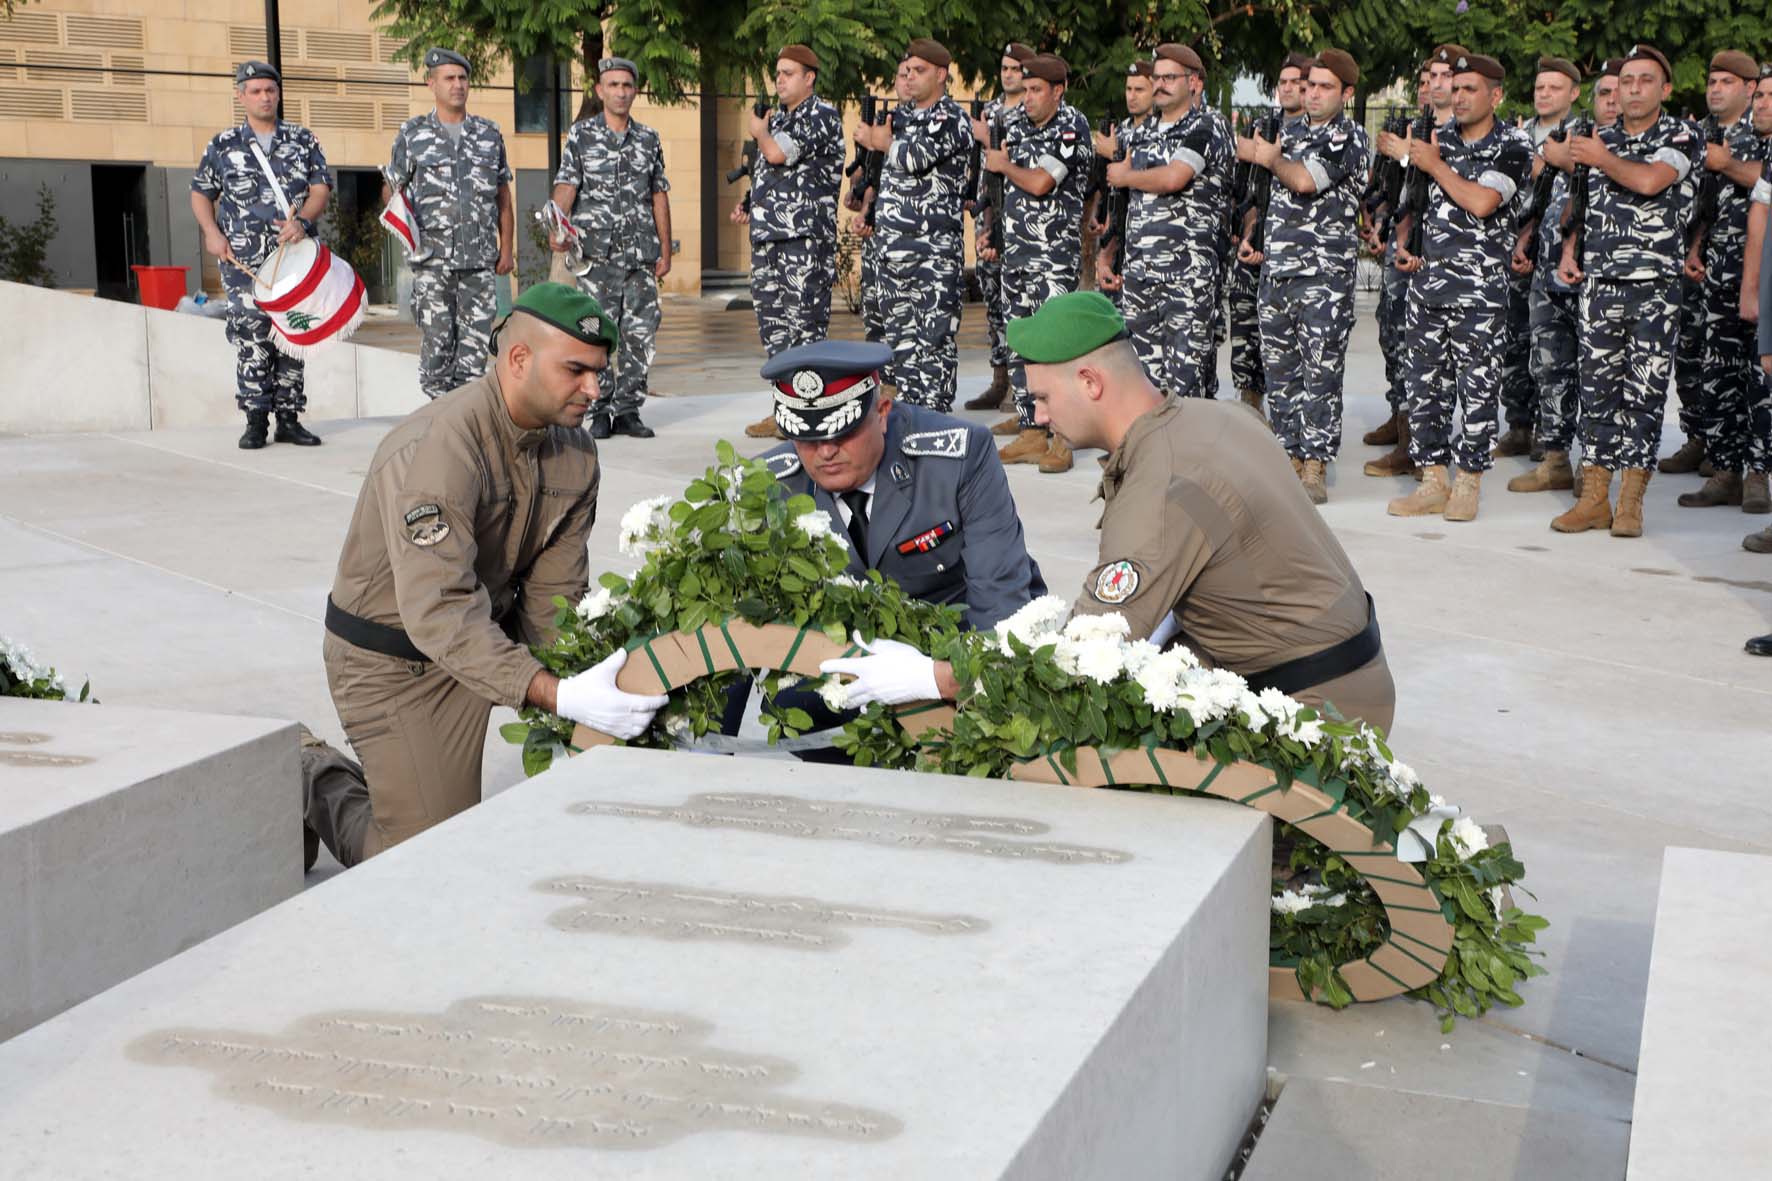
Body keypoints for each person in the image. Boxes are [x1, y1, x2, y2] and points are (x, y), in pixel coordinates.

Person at [820, 292, 1395, 734]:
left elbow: (1080, 656)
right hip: (1335, 673)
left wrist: (932, 678)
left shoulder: (1160, 485)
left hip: (1314, 710)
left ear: (1090, 382)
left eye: (1041, 398)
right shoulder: (1211, 417)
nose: (1039, 418)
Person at [302, 284, 667, 870]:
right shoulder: (439, 448)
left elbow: (554, 599)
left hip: (483, 639)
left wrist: (580, 689)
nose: (595, 390)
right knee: (416, 866)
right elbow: (439, 612)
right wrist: (555, 694)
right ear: (518, 360)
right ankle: (312, 774)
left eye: (599, 372)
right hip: (393, 663)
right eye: (576, 370)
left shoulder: (574, 453)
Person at [759, 339, 1045, 629]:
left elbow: (999, 597)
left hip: (953, 646)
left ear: (882, 413)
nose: (826, 452)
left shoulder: (959, 458)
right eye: (807, 439)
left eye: (841, 433)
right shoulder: (768, 485)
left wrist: (957, 673)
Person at [1553, 44, 1702, 538]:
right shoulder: (1602, 135)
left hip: (1654, 290)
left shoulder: (1680, 135)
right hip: (1600, 285)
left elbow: (1647, 181)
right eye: (1626, 82)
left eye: (1644, 81)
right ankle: (1594, 497)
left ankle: (1630, 501)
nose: (1632, 90)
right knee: (1595, 391)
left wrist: (1599, 156)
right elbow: (1584, 201)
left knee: (1644, 394)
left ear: (1665, 88)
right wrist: (1570, 248)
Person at [1384, 53, 1535, 522]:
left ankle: (1468, 482)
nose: (1460, 96)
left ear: (1496, 96)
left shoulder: (1513, 145)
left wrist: (1433, 165)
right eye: (1457, 86)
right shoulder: (1437, 139)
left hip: (1479, 293)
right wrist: (1404, 240)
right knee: (1424, 386)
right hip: (1427, 286)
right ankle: (1433, 480)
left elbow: (1483, 201)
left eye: (1471, 89)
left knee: (1477, 387)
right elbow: (1414, 202)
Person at [1238, 49, 1370, 505]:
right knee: (1281, 370)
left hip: (1323, 276)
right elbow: (1266, 192)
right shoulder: (1286, 133)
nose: (1312, 94)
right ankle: (1289, 455)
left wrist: (1270, 159)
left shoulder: (1348, 138)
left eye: (1324, 87)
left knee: (1320, 372)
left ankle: (1314, 464)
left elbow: (1304, 181)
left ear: (1346, 94)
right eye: (1309, 85)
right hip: (1278, 271)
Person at [191, 60, 331, 451]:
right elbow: (201, 192)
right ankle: (255, 420)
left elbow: (321, 188)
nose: (264, 97)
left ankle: (289, 418)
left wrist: (302, 220)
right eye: (255, 91)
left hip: (294, 257)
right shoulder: (223, 145)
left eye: (270, 90)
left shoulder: (303, 140)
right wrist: (212, 233)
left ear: (278, 93)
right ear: (241, 96)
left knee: (292, 333)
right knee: (252, 334)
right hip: (244, 261)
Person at [550, 57, 672, 440]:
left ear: (635, 91)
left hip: (639, 256)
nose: (621, 92)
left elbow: (658, 195)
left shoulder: (649, 139)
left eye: (627, 85)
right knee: (597, 334)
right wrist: (557, 227)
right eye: (613, 85)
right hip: (596, 257)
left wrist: (666, 249)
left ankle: (629, 410)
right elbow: (567, 187)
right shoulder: (582, 137)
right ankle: (599, 409)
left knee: (640, 335)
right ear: (600, 91)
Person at [383, 48, 514, 402]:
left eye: (462, 78)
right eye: (449, 78)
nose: (458, 85)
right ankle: (438, 419)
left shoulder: (489, 134)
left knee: (474, 353)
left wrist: (507, 249)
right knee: (437, 346)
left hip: (480, 262)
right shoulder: (412, 135)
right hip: (432, 261)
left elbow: (502, 195)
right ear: (431, 83)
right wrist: (403, 222)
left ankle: (467, 424)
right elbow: (392, 188)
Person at [985, 53, 1092, 475]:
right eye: (1024, 90)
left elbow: (1042, 182)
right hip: (1018, 254)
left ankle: (1063, 438)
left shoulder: (1071, 126)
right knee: (1023, 343)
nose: (1026, 98)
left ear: (1057, 91)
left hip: (1052, 257)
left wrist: (1005, 165)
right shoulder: (1018, 127)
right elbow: (999, 186)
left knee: (1058, 349)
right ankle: (1032, 431)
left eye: (1035, 91)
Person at [1675, 51, 1771, 513]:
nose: (1714, 89)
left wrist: (1727, 164)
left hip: (1760, 274)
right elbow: (1702, 205)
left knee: (1760, 379)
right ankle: (1724, 468)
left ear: (1750, 89)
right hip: (1715, 274)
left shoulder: (1761, 135)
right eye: (1711, 81)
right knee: (1718, 374)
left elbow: (1762, 182)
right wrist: (1695, 248)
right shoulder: (1704, 137)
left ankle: (1758, 473)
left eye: (1726, 81)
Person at [1112, 44, 1232, 408]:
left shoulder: (1209, 126)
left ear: (1194, 82)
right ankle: (1147, 457)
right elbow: (1125, 202)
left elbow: (1174, 177)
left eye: (1169, 78)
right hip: (1140, 275)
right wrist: (1110, 252)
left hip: (1187, 278)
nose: (1160, 85)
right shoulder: (1141, 131)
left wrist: (1126, 176)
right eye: (1157, 78)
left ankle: (1185, 462)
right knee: (1141, 381)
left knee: (1186, 384)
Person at [856, 38, 972, 413]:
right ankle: (908, 419)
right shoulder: (902, 119)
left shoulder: (950, 117)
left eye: (919, 71)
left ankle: (935, 422)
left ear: (941, 74)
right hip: (893, 254)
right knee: (901, 343)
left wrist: (881, 140)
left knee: (933, 343)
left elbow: (912, 157)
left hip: (932, 256)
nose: (910, 78)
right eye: (906, 71)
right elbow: (885, 173)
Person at [736, 44, 844, 440]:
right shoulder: (778, 119)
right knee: (775, 331)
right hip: (769, 240)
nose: (779, 80)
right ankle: (786, 410)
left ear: (809, 77)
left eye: (788, 73)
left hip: (803, 242)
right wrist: (750, 204)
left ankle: (810, 414)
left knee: (805, 331)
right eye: (777, 73)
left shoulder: (821, 116)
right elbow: (772, 174)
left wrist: (761, 132)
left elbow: (779, 154)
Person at [1363, 51, 1455, 477]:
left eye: (1445, 76)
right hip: (1402, 253)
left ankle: (1425, 447)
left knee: (1433, 358)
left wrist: (1406, 154)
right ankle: (1405, 431)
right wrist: (1380, 224)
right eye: (1429, 75)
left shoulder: (1458, 133)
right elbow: (1397, 191)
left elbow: (1447, 179)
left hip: (1441, 259)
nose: (1435, 83)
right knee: (1397, 341)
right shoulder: (1415, 128)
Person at [1507, 57, 1595, 496]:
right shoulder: (1519, 137)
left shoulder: (1590, 134)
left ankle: (1594, 464)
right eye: (1540, 87)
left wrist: (1563, 160)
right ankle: (1553, 455)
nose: (1544, 94)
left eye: (1554, 87)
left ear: (1574, 93)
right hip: (1536, 265)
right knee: (1546, 363)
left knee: (1591, 368)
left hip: (1581, 267)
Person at [1228, 52, 1309, 418]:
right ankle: (1250, 408)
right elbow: (1246, 194)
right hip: (1255, 251)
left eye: (1298, 82)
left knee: (1295, 350)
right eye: (1284, 82)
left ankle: (1294, 428)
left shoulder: (1317, 133)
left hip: (1297, 257)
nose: (1289, 88)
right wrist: (1248, 235)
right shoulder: (1262, 127)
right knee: (1246, 333)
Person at [964, 43, 1036, 414]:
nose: (1008, 74)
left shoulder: (1032, 113)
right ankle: (1000, 378)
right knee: (993, 298)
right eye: (1004, 68)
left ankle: (1023, 388)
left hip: (1021, 219)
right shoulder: (987, 111)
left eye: (1015, 68)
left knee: (1020, 305)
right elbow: (975, 164)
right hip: (988, 214)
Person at [1093, 59, 1157, 314]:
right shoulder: (1119, 131)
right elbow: (1110, 192)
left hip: (1148, 248)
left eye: (1139, 90)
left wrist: (1116, 152)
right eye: (1129, 89)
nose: (1132, 96)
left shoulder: (1158, 132)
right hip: (1119, 240)